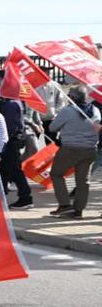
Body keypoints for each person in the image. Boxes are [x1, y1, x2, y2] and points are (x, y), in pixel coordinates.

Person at [47, 87, 102, 219]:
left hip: (70, 148)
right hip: (90, 149)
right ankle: (78, 210)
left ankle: (65, 205)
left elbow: (52, 127)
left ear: (72, 97)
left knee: (56, 174)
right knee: (83, 180)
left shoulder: (68, 111)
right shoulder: (95, 110)